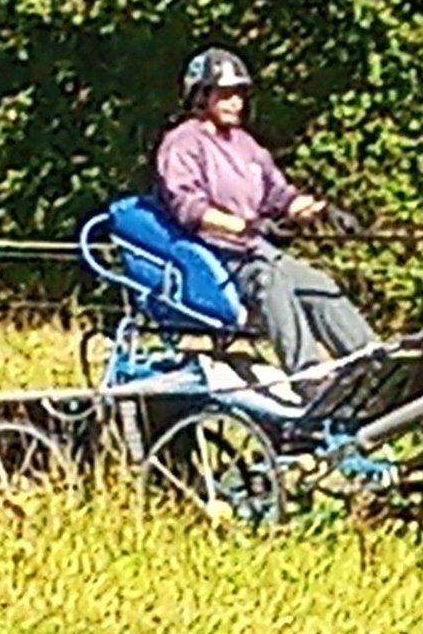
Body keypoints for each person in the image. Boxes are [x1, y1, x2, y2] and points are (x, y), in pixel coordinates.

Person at [154, 46, 377, 386]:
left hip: (258, 252)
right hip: (215, 258)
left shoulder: (246, 145)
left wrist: (322, 211)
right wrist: (245, 225)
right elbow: (189, 208)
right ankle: (310, 378)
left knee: (318, 284)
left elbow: (280, 196)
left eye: (239, 95)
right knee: (270, 283)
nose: (235, 103)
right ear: (201, 96)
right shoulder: (182, 143)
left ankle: (371, 363)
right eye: (225, 95)